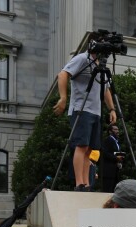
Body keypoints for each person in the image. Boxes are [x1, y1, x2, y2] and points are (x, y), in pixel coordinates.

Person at [53, 38, 118, 192]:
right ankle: (79, 183)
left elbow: (106, 89)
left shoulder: (100, 66)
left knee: (90, 149)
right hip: (81, 109)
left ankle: (86, 183)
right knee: (82, 145)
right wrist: (63, 98)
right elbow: (63, 74)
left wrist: (112, 109)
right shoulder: (83, 59)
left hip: (96, 111)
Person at [101, 124, 123, 193]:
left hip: (115, 170)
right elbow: (105, 153)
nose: (117, 131)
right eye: (115, 129)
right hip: (108, 170)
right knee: (108, 190)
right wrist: (116, 158)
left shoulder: (116, 141)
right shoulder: (108, 140)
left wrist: (120, 160)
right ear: (110, 131)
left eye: (118, 129)